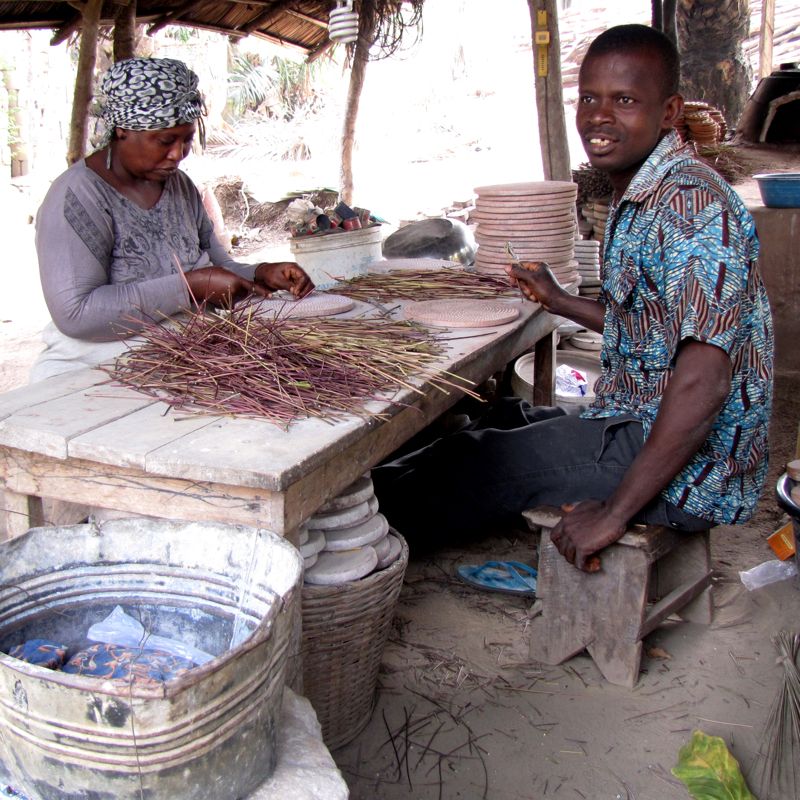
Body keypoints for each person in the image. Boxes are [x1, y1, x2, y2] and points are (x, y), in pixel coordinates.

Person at [372, 24, 773, 572]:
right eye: (589, 98)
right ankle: (370, 493)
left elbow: (706, 380)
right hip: (636, 415)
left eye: (625, 100)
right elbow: (655, 328)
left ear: (669, 111)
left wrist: (613, 512)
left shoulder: (692, 207)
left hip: (693, 465)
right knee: (506, 417)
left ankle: (358, 537)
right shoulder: (646, 192)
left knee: (476, 462)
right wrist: (558, 299)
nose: (599, 117)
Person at [31, 57, 314, 382]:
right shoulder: (77, 197)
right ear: (123, 129)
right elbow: (77, 314)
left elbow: (216, 265)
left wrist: (260, 273)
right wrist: (190, 287)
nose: (178, 154)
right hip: (93, 378)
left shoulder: (179, 186)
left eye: (187, 140)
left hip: (181, 362)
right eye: (165, 141)